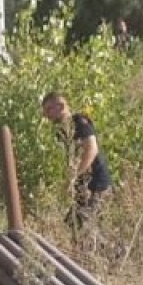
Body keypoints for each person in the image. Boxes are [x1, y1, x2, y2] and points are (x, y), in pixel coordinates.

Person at [40, 93, 112, 238]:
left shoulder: (79, 122)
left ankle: (116, 255)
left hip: (96, 185)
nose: (46, 115)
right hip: (83, 187)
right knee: (75, 227)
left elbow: (91, 149)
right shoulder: (63, 131)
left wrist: (73, 177)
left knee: (82, 228)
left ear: (60, 106)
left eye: (49, 110)